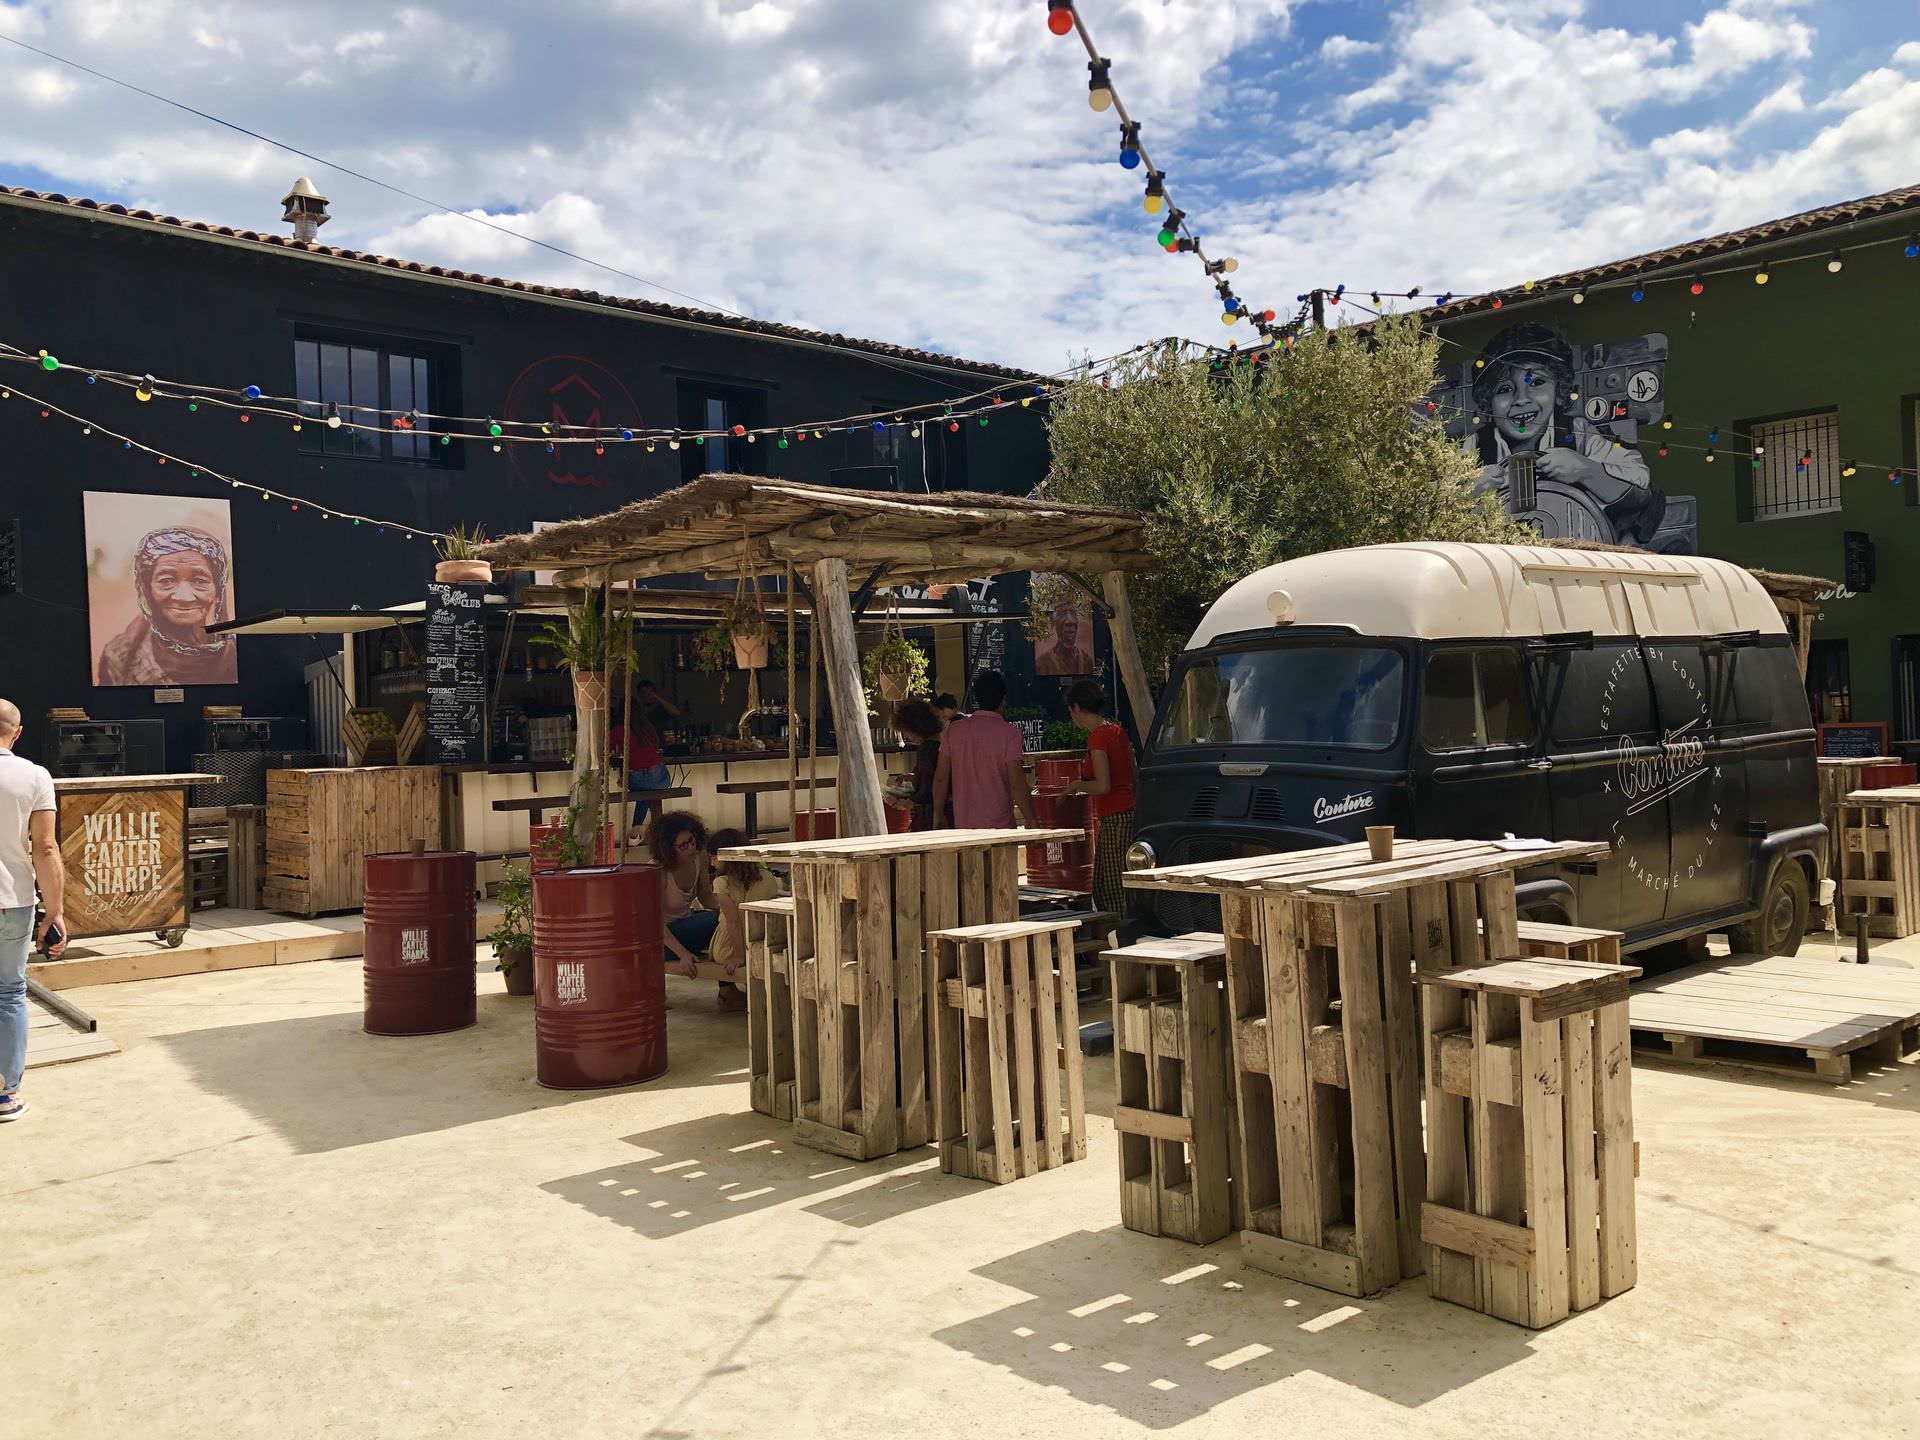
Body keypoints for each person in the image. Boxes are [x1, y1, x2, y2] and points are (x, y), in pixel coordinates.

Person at [1468, 322, 1664, 544]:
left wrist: (1587, 471)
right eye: (1504, 389)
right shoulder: (1474, 447)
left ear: (1558, 389)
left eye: (1537, 382)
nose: (1522, 399)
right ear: (1488, 401)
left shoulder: (1577, 434)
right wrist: (1467, 489)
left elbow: (1641, 486)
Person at [1, 697, 65, 1122]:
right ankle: (6, 1094)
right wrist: (55, 911)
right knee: (8, 993)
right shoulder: (34, 776)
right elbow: (44, 847)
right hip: (13, 900)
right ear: (17, 732)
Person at [96, 526, 238, 686]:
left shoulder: (237, 655)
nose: (184, 597)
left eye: (200, 580)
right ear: (148, 590)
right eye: (166, 580)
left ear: (218, 589)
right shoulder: (119, 658)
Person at [1057, 680, 1137, 915]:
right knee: (1104, 884)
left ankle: (1120, 939)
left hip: (1115, 817)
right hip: (1126, 813)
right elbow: (1135, 773)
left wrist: (1074, 786)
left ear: (1078, 708)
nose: (1072, 716)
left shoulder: (1098, 737)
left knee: (1112, 890)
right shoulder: (1117, 731)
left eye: (1071, 711)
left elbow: (1103, 785)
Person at [934, 670, 1037, 830]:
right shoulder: (1009, 734)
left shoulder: (953, 731)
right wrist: (1031, 819)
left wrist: (938, 814)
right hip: (1001, 826)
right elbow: (1016, 783)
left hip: (964, 826)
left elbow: (941, 778)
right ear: (1004, 700)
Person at [707, 827, 779, 1007]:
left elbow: (732, 921)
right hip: (761, 941)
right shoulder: (768, 877)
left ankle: (734, 994)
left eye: (714, 858)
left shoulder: (721, 883)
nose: (712, 863)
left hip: (729, 947)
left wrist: (739, 956)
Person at [612, 679, 680, 838]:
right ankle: (648, 831)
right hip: (658, 776)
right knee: (648, 790)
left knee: (644, 790)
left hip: (636, 778)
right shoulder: (647, 726)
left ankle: (636, 829)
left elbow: (608, 752)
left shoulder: (617, 730)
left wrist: (624, 774)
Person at [892, 696, 950, 832]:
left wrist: (908, 802)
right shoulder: (941, 744)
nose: (907, 736)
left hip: (930, 816)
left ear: (916, 728)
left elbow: (928, 785)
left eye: (906, 731)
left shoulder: (927, 749)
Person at [1034, 601, 1094, 676]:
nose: (1070, 621)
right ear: (1054, 622)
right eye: (1062, 613)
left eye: (1073, 613)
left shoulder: (1086, 660)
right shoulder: (1042, 663)